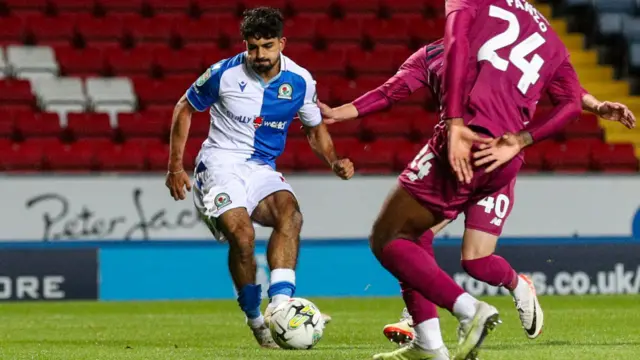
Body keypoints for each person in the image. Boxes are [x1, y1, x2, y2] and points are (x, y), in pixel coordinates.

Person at [320, 0, 616, 358]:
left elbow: (550, 84)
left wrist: (457, 124)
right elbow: (389, 92)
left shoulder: (471, 35)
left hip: (466, 147)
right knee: (455, 253)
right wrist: (340, 112)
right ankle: (432, 336)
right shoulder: (445, 52)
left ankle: (460, 314)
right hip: (501, 157)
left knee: (399, 237)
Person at [164, 7, 353, 348]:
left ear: (282, 43)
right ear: (245, 44)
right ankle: (254, 317)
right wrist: (175, 168)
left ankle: (281, 305)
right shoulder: (223, 74)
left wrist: (334, 160)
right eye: (253, 47)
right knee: (243, 235)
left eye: (267, 46)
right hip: (219, 166)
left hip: (261, 168)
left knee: (290, 214)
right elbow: (184, 108)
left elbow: (314, 128)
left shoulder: (300, 81)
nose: (260, 55)